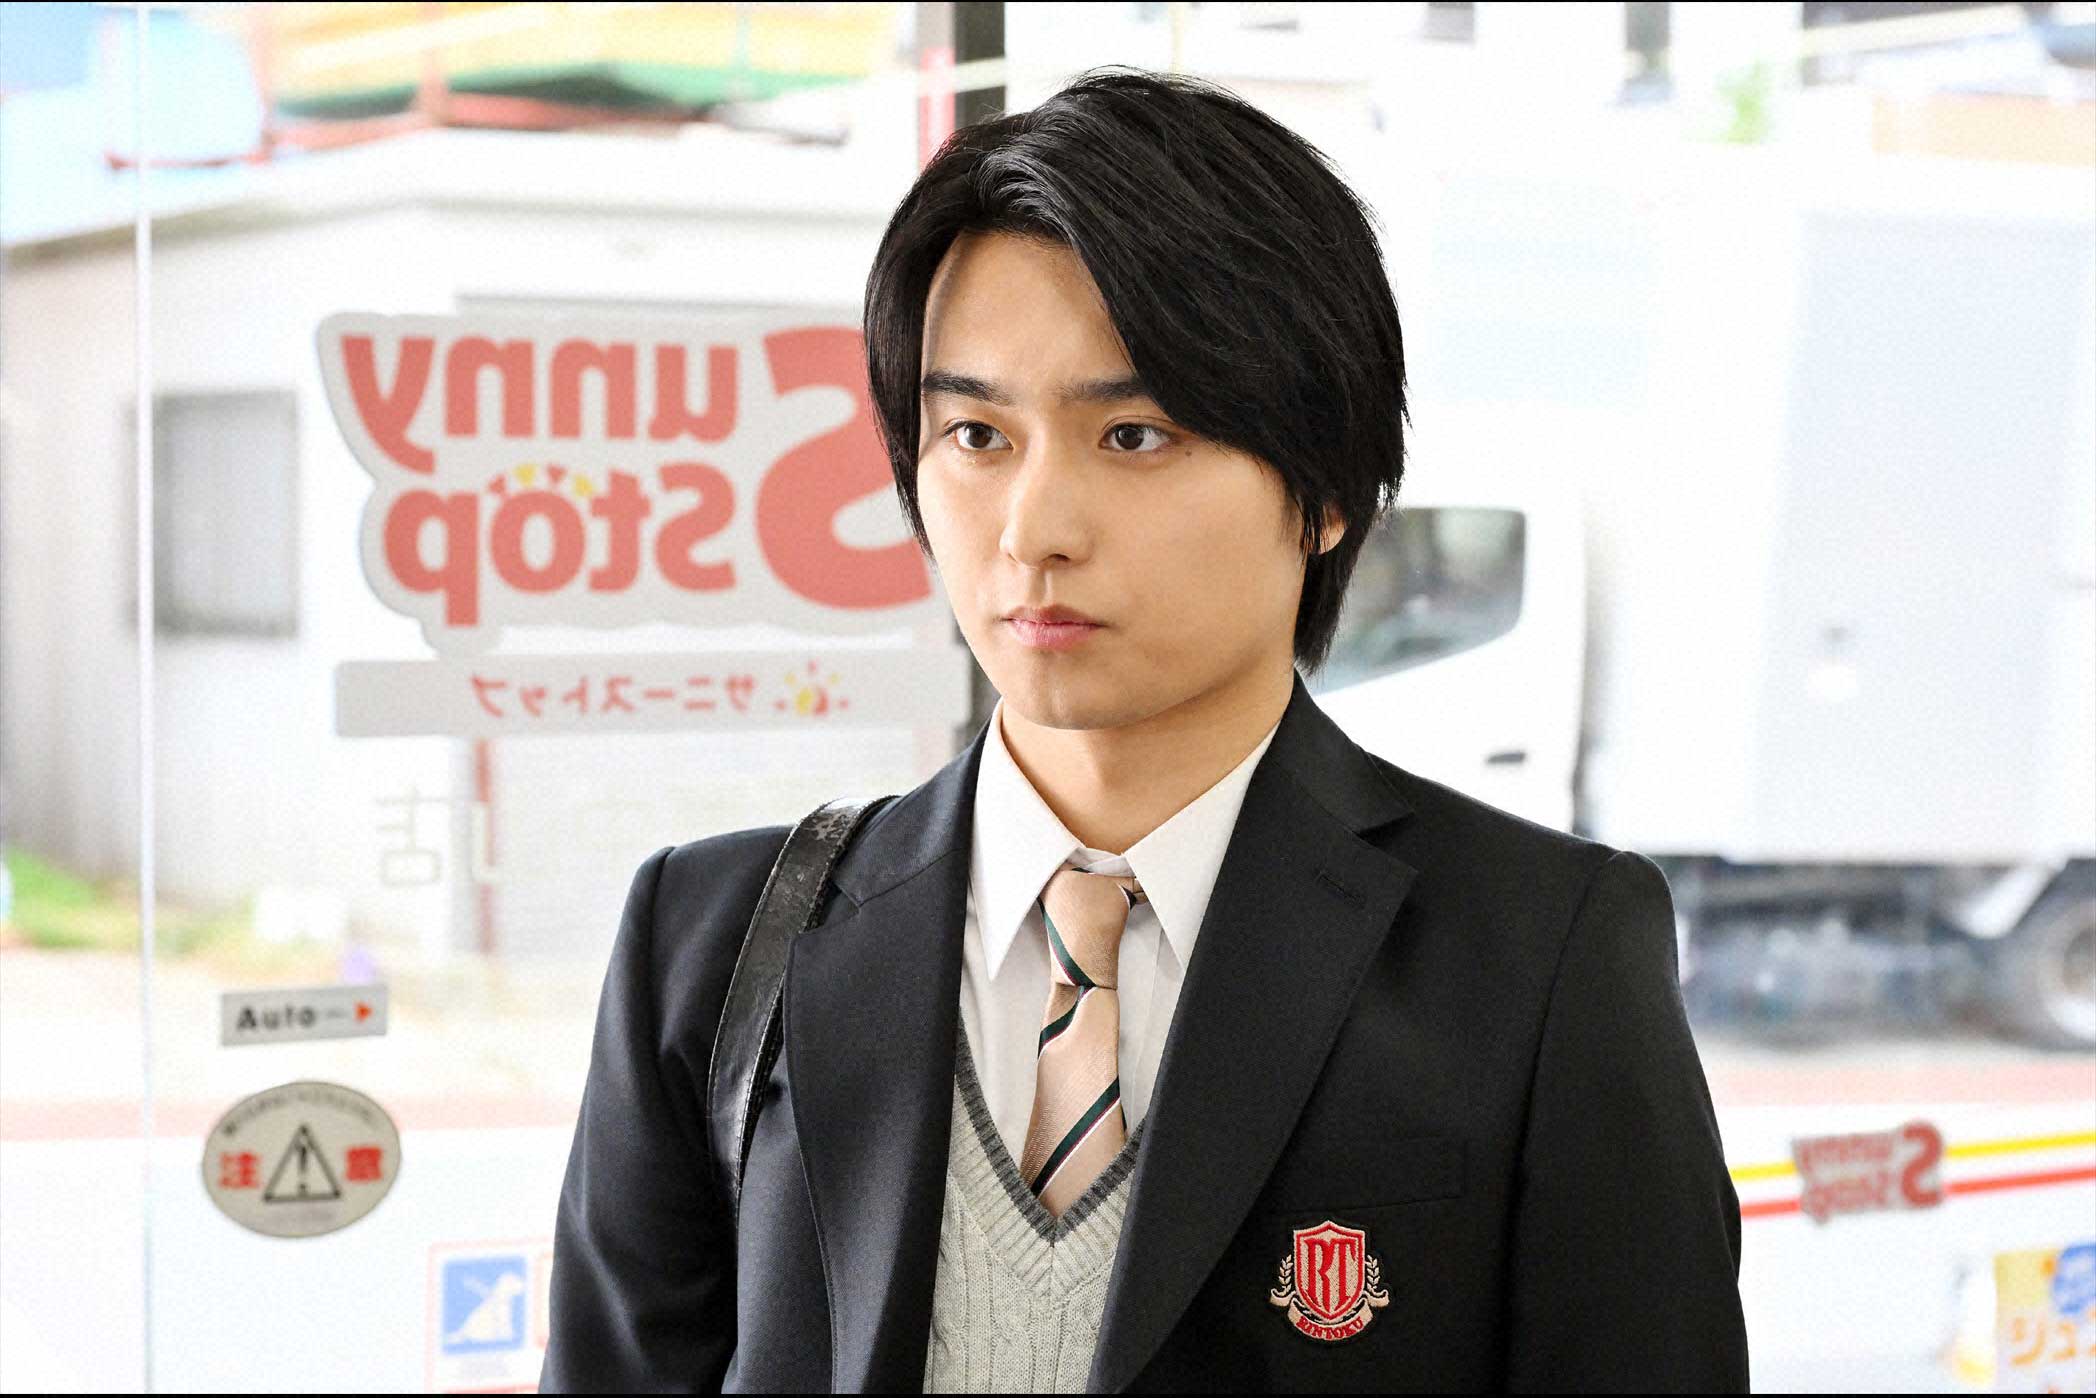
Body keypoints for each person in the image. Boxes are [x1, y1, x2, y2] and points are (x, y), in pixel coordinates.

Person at [540, 66, 1748, 1394]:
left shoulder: (1539, 958)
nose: (1033, 530)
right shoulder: (712, 946)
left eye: (1133, 434)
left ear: (1328, 489)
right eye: (975, 433)